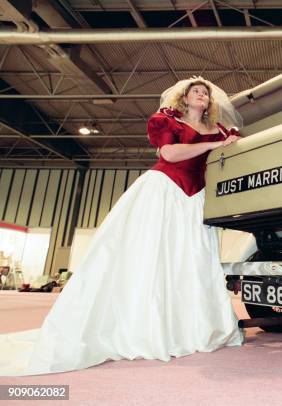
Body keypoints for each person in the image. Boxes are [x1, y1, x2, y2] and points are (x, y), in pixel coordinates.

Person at [0, 77, 244, 376]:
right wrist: (218, 144)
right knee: (150, 257)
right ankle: (142, 328)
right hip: (165, 189)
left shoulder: (220, 130)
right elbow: (169, 154)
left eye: (205, 93)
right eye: (196, 91)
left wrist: (225, 144)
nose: (202, 95)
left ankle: (190, 327)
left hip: (195, 199)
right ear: (184, 97)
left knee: (189, 261)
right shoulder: (169, 121)